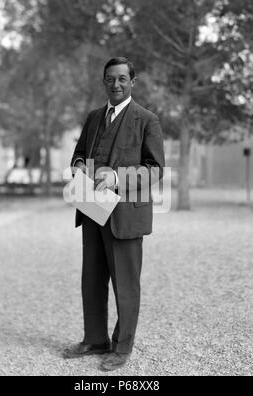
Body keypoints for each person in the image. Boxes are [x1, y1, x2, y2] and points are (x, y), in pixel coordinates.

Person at [63, 57, 165, 372]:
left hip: (125, 215)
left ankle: (122, 348)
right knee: (92, 279)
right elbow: (78, 154)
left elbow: (155, 170)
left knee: (125, 283)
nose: (116, 84)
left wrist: (117, 178)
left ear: (132, 82)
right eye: (110, 79)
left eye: (122, 78)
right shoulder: (94, 118)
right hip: (92, 209)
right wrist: (78, 165)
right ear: (104, 82)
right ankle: (95, 340)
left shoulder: (147, 119)